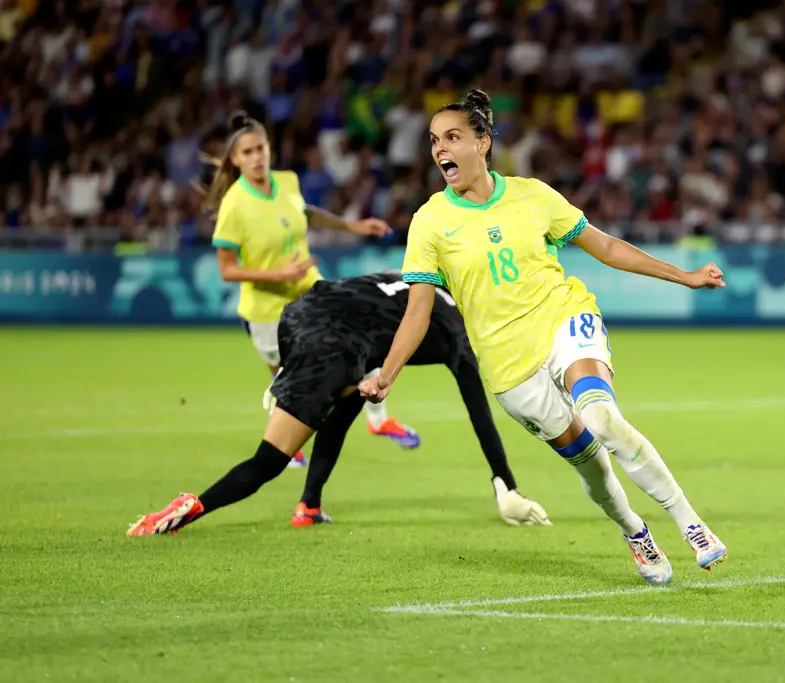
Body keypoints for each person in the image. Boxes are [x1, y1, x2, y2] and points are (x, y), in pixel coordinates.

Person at [359, 89, 728, 584]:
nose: (440, 149)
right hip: (508, 366)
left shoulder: (533, 195)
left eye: (452, 137)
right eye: (433, 141)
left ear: (483, 143)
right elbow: (418, 312)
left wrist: (683, 275)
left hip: (562, 318)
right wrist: (389, 372)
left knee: (601, 414)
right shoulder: (430, 222)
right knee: (591, 467)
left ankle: (691, 522)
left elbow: (607, 247)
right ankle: (635, 531)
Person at [126, 272, 551, 535]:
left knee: (349, 397)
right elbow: (480, 413)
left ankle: (309, 505)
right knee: (270, 460)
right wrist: (506, 484)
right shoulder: (462, 328)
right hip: (334, 344)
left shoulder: (424, 281)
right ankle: (189, 509)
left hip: (303, 314)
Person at [203, 111, 420, 469]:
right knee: (289, 382)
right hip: (267, 310)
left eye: (261, 148)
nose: (257, 157)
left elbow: (306, 213)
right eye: (248, 152)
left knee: (359, 340)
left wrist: (353, 226)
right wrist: (279, 273)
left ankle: (380, 420)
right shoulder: (234, 206)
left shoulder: (286, 181)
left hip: (309, 288)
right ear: (235, 159)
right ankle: (284, 445)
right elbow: (227, 269)